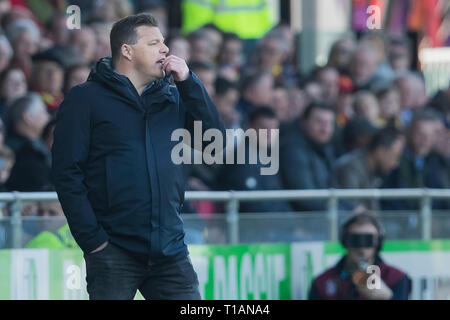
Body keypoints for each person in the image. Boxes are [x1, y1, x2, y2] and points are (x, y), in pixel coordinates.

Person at [51, 13, 224, 300]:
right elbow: (66, 174)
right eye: (154, 43)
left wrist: (190, 83)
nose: (165, 49)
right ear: (127, 51)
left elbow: (214, 145)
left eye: (164, 42)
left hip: (170, 249)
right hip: (113, 249)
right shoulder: (85, 99)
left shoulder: (174, 96)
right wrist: (94, 241)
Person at [308, 212, 411, 300]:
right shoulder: (322, 282)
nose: (361, 248)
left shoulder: (396, 277)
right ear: (345, 241)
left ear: (378, 242)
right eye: (355, 240)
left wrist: (388, 297)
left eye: (367, 240)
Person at [279, 102, 337, 211]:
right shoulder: (292, 149)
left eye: (329, 123)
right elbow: (306, 199)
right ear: (304, 122)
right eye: (319, 122)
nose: (325, 129)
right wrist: (343, 210)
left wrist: (352, 208)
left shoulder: (326, 148)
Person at [333, 126, 405, 210]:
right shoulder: (350, 168)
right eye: (395, 156)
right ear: (380, 151)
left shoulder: (375, 172)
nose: (396, 163)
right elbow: (354, 209)